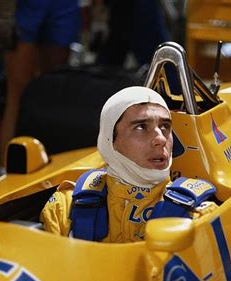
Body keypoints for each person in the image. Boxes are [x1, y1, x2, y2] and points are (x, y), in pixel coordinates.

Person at [40, 86, 218, 242]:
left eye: (165, 126)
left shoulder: (199, 217)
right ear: (110, 140)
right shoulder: (64, 207)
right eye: (141, 127)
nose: (160, 139)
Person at [0, 0, 80, 166]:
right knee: (19, 94)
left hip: (63, 5)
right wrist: (2, 15)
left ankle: (49, 170)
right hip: (21, 6)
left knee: (54, 90)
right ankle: (7, 173)